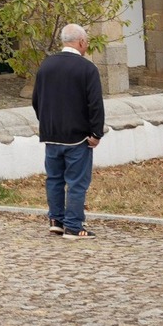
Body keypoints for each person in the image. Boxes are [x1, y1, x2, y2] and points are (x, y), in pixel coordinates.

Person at [31, 23, 106, 238]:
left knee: (54, 179)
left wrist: (46, 123)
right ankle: (73, 226)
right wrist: (96, 133)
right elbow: (95, 104)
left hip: (52, 135)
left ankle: (56, 220)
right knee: (76, 182)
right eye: (86, 43)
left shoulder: (46, 65)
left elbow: (37, 100)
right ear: (81, 42)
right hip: (77, 136)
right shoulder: (87, 68)